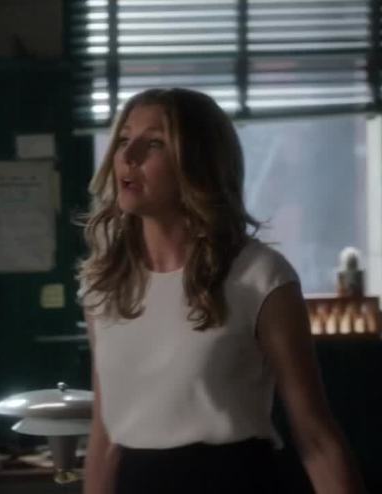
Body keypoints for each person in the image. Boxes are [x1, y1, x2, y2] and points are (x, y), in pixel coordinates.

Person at [77, 88, 365, 494]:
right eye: (124, 139)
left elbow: (316, 437)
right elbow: (104, 437)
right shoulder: (104, 283)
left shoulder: (259, 276)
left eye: (154, 143)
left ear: (198, 163)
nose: (129, 155)